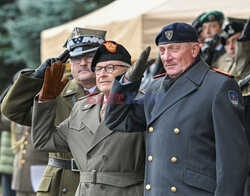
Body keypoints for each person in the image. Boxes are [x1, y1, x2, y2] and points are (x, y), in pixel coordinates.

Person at [104, 22, 249, 196]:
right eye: (163, 50)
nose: (166, 57)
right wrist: (127, 81)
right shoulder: (155, 87)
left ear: (195, 50)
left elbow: (233, 161)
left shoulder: (218, 86)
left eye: (174, 49)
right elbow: (116, 119)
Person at [1, 27, 106, 196]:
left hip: (102, 182)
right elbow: (12, 110)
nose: (83, 63)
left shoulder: (114, 94)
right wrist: (36, 78)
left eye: (89, 56)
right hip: (61, 183)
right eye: (76, 58)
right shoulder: (55, 91)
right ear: (69, 63)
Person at [31, 41, 145, 196]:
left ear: (128, 71)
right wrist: (45, 100)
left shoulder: (143, 104)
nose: (103, 74)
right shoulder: (82, 107)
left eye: (110, 68)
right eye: (98, 69)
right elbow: (43, 140)